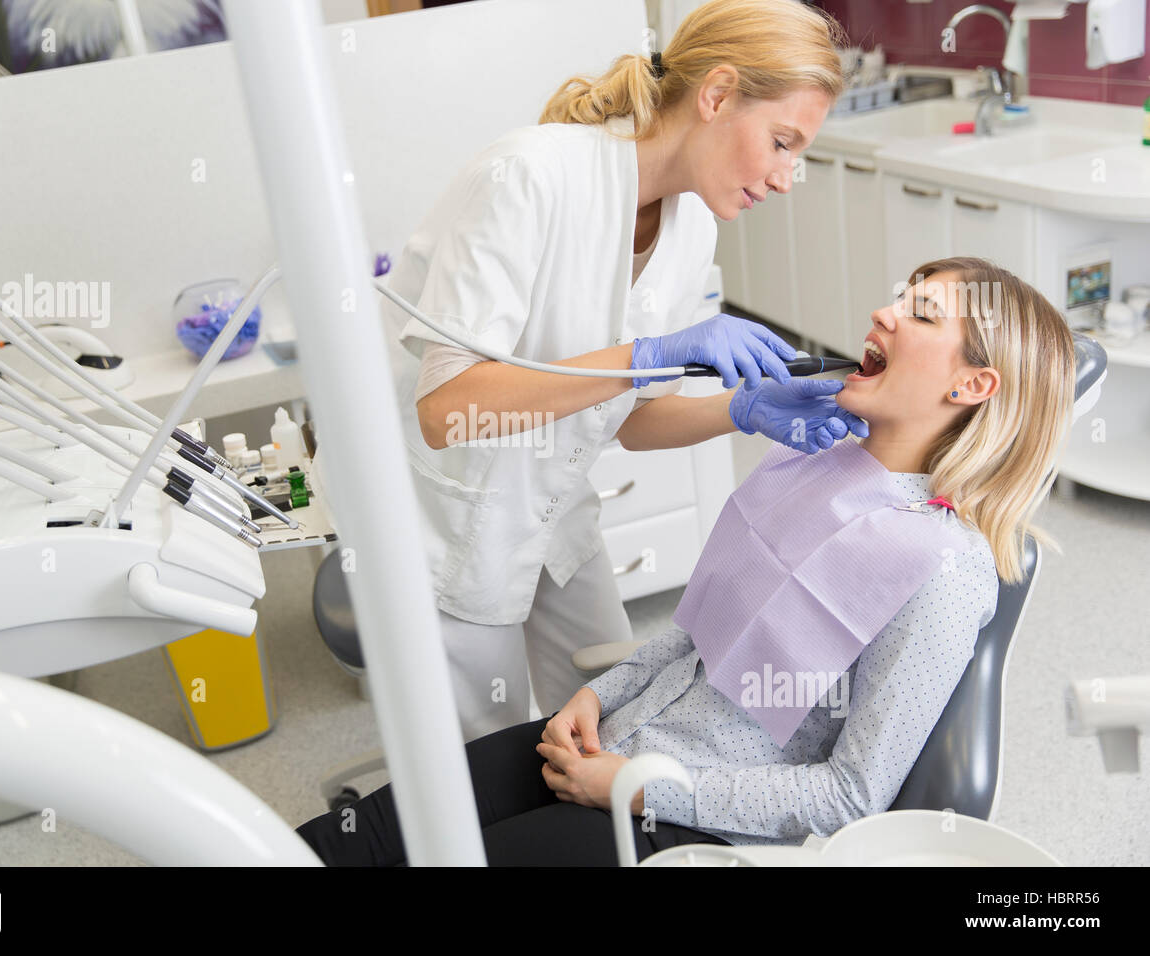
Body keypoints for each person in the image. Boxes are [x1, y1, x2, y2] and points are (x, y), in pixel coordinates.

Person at [298, 257, 1077, 865]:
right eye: (900, 296)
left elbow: (850, 796)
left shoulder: (944, 568)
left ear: (975, 384)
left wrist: (641, 790)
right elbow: (701, 634)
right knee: (361, 834)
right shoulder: (819, 463)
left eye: (921, 312)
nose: (884, 311)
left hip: (684, 830)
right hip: (615, 737)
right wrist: (595, 699)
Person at [375, 0, 863, 742]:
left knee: (615, 708)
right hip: (448, 518)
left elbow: (635, 420)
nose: (787, 177)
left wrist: (742, 409)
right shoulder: (527, 178)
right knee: (485, 751)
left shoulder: (691, 220)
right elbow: (447, 411)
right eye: (782, 142)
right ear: (718, 93)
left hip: (552, 507)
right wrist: (646, 357)